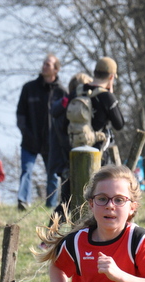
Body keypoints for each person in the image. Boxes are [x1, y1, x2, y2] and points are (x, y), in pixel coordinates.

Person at [16, 54, 67, 211]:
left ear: (56, 69)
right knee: (26, 171)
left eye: (48, 64)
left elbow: (65, 118)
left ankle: (50, 206)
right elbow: (20, 114)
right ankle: (23, 202)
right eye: (44, 63)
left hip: (51, 143)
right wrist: (25, 133)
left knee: (52, 175)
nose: (44, 66)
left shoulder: (62, 92)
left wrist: (59, 138)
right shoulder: (29, 88)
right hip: (29, 141)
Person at [48, 72, 94, 224]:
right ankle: (51, 234)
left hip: (65, 160)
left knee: (68, 202)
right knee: (67, 202)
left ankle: (52, 234)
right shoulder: (73, 109)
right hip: (69, 161)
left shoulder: (64, 105)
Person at [68, 57, 125, 164]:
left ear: (95, 73)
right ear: (111, 77)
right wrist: (111, 97)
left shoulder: (78, 91)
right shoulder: (106, 96)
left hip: (76, 149)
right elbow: (119, 124)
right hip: (98, 152)